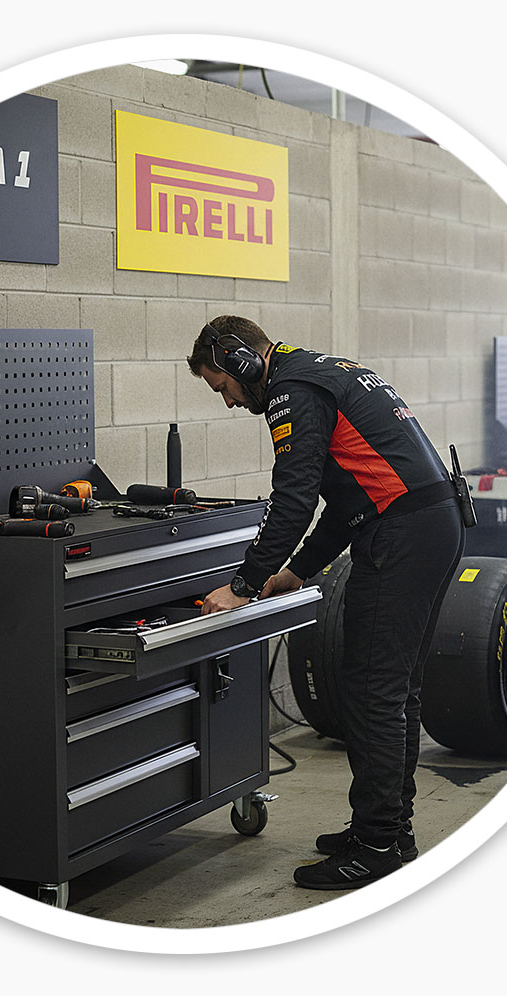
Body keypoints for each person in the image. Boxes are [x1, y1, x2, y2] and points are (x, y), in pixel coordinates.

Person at [188, 315, 465, 891]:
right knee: (392, 692)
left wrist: (242, 585)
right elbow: (346, 498)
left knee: (372, 692)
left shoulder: (293, 390)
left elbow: (292, 496)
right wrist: (296, 571)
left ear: (240, 361)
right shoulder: (323, 371)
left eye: (223, 386)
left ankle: (376, 845)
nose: (230, 402)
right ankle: (390, 830)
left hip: (403, 536)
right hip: (426, 523)